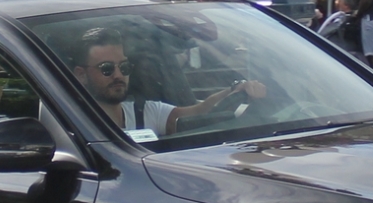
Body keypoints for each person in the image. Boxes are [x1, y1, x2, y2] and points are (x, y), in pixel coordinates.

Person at [73, 26, 263, 141]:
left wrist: (238, 90)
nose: (118, 75)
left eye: (123, 67)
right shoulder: (72, 124)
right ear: (81, 74)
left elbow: (200, 111)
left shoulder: (146, 112)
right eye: (106, 68)